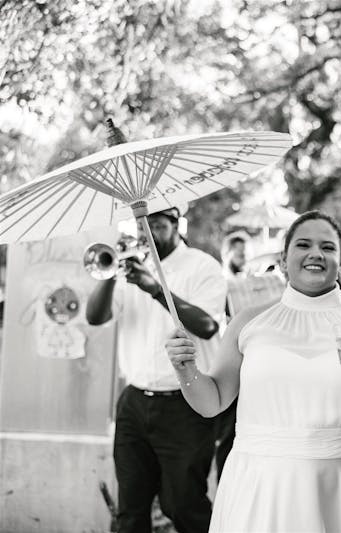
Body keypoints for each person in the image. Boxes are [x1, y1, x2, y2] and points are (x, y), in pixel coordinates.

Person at [165, 210, 341, 533]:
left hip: (340, 481)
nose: (315, 254)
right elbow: (213, 401)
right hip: (261, 483)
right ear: (283, 260)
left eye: (327, 247)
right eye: (303, 245)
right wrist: (186, 370)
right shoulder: (248, 321)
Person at [86, 206, 227, 533]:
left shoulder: (202, 266)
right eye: (142, 226)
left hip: (186, 405)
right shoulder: (133, 268)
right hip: (134, 402)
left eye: (158, 225)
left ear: (177, 225)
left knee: (183, 505)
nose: (148, 233)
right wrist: (110, 274)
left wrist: (154, 288)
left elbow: (207, 325)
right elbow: (94, 317)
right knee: (130, 508)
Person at [215, 231, 286, 480]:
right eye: (238, 253)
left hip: (257, 366)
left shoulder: (257, 281)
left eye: (246, 253)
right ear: (227, 254)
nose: (243, 258)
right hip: (231, 363)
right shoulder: (219, 282)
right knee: (228, 434)